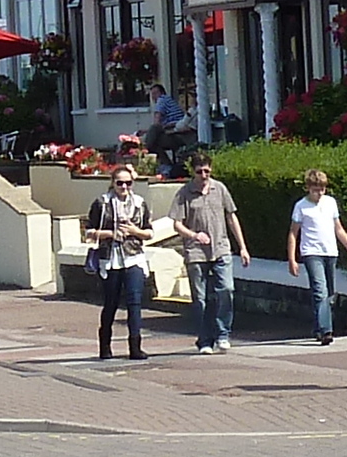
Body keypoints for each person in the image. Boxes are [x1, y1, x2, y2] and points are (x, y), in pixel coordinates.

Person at [167, 154, 249, 352]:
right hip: (196, 252)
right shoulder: (184, 193)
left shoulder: (219, 189)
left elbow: (231, 217)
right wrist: (194, 235)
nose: (203, 175)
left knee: (226, 290)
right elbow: (177, 224)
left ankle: (223, 333)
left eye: (207, 171)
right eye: (199, 171)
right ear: (192, 171)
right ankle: (205, 339)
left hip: (221, 248)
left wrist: (243, 246)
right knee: (200, 297)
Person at [81, 171, 156, 361]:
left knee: (135, 302)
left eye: (128, 183)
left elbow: (149, 233)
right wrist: (110, 234)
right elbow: (89, 232)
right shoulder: (102, 203)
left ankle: (135, 346)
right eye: (120, 183)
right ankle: (105, 346)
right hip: (110, 259)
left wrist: (134, 231)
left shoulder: (139, 203)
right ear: (113, 183)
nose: (124, 187)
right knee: (111, 303)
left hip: (134, 258)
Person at [288, 168, 347, 343]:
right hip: (311, 252)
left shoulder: (330, 203)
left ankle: (318, 327)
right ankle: (326, 331)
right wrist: (292, 259)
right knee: (320, 291)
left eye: (322, 189)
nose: (319, 193)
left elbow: (338, 228)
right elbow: (293, 233)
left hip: (330, 252)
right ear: (308, 188)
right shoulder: (301, 206)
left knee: (328, 293)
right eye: (315, 189)